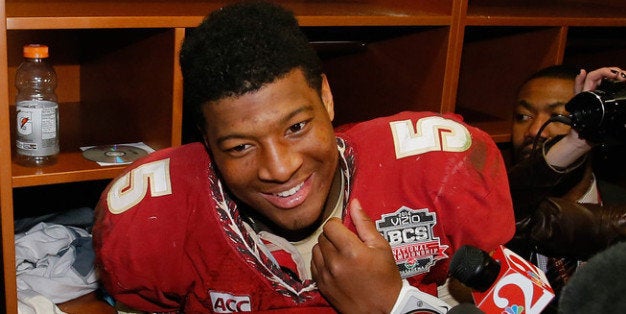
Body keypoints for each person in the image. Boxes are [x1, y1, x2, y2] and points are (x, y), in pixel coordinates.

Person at [92, 2, 515, 313]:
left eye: (296, 127)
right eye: (240, 146)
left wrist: (392, 304)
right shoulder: (153, 215)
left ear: (327, 99)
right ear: (206, 141)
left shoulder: (437, 170)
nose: (280, 168)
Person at [506, 65, 626, 312]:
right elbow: (511, 205)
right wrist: (578, 141)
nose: (534, 131)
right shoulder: (490, 215)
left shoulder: (619, 203)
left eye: (559, 116)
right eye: (523, 116)